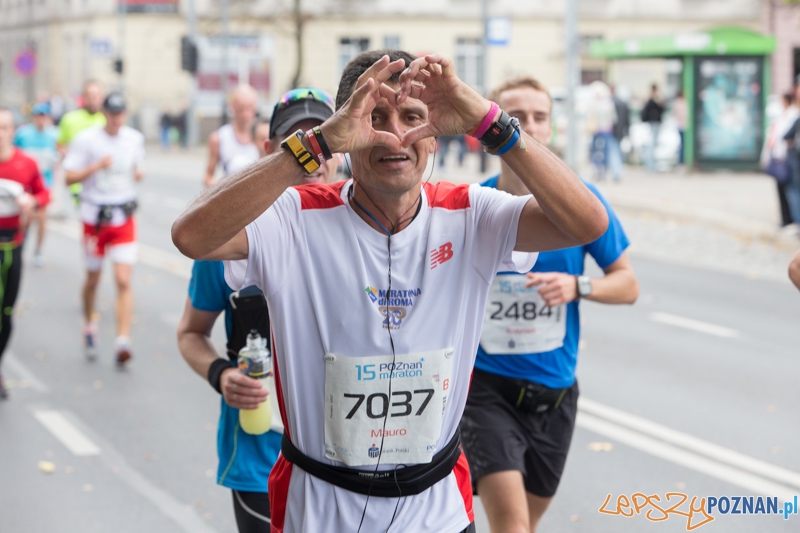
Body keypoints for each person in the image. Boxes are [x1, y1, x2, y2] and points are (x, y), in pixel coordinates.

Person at [172, 49, 608, 533]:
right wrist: (314, 143)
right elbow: (191, 237)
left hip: (435, 509)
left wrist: (488, 120)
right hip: (319, 511)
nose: (393, 136)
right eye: (373, 117)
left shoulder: (474, 214)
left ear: (437, 138)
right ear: (345, 131)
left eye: (412, 117)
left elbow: (588, 223)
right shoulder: (294, 217)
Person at [459, 76, 639, 533]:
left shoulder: (581, 206)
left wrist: (578, 286)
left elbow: (628, 284)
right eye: (516, 117)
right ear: (490, 128)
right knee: (512, 526)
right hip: (485, 390)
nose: (530, 126)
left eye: (540, 117)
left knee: (527, 525)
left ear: (552, 128)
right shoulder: (474, 206)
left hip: (554, 392)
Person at [176, 87, 338, 533]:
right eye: (297, 143)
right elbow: (190, 333)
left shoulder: (370, 230)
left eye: (324, 139)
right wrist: (221, 375)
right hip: (261, 454)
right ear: (269, 151)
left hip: (350, 458)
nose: (314, 155)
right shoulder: (232, 242)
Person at [63, 93, 144, 366]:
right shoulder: (87, 140)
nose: (116, 119)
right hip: (95, 218)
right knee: (94, 279)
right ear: (104, 114)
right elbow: (69, 177)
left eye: (121, 113)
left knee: (123, 280)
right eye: (112, 113)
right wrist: (97, 166)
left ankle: (123, 340)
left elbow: (135, 169)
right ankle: (89, 323)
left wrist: (138, 174)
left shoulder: (134, 139)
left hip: (123, 216)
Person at [0, 108, 50, 399]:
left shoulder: (25, 164)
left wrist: (32, 200)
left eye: (4, 128)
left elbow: (43, 194)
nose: (0, 133)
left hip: (13, 244)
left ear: (12, 131)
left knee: (6, 312)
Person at [13, 102, 60, 266]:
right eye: (38, 116)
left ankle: (38, 250)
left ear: (48, 118)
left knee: (42, 218)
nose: (41, 119)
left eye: (44, 116)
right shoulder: (23, 134)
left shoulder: (54, 135)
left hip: (44, 183)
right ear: (34, 117)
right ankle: (21, 243)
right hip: (26, 183)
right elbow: (13, 153)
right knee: (26, 218)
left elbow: (58, 156)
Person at [58, 81, 106, 202]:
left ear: (102, 97)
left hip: (102, 181)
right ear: (83, 97)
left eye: (96, 95)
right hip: (78, 180)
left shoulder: (108, 120)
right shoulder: (69, 119)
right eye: (89, 95)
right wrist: (66, 154)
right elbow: (60, 143)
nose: (93, 99)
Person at [204, 84, 260, 187]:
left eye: (249, 108)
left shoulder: (262, 136)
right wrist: (218, 186)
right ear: (232, 106)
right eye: (241, 109)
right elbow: (208, 177)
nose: (245, 114)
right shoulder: (219, 138)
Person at [761, 93, 798, 228]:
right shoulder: (782, 115)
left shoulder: (793, 115)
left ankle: (793, 220)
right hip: (778, 157)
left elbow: (786, 136)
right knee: (781, 189)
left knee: (791, 191)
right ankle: (786, 219)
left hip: (788, 159)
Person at [586, 81, 617, 181]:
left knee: (596, 151)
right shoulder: (609, 104)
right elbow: (614, 118)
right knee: (606, 151)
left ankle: (598, 171)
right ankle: (603, 171)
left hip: (597, 131)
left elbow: (590, 117)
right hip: (607, 130)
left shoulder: (594, 105)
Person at [641, 83, 665, 172]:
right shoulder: (652, 100)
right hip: (653, 123)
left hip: (654, 123)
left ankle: (651, 164)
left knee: (653, 144)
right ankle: (650, 165)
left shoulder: (654, 99)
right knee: (652, 144)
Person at [610, 85, 629, 181]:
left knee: (614, 152)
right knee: (617, 151)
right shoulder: (623, 103)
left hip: (611, 132)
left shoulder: (610, 103)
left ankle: (616, 173)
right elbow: (627, 119)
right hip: (621, 131)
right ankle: (618, 171)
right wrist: (627, 132)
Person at [672, 89, 688, 168]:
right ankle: (681, 161)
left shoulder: (676, 102)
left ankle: (681, 161)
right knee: (682, 144)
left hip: (680, 125)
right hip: (683, 126)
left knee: (682, 144)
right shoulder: (682, 103)